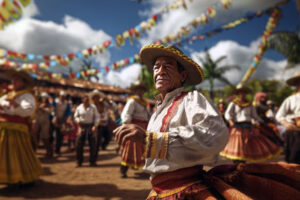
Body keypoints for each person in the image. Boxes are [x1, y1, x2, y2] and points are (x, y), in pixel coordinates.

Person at [113, 44, 299, 199]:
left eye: (168, 66)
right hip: (159, 191)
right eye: (156, 66)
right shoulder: (157, 109)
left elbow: (214, 134)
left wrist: (151, 140)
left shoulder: (192, 99)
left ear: (183, 76)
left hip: (187, 190)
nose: (160, 71)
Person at [0, 69, 43, 186]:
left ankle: (24, 179)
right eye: (13, 79)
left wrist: (15, 105)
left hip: (16, 130)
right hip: (3, 128)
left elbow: (27, 111)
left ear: (23, 82)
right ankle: (7, 178)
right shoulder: (7, 95)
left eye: (17, 79)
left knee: (19, 154)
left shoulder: (27, 96)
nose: (14, 81)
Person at [119, 80, 150, 178]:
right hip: (134, 127)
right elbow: (126, 113)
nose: (140, 91)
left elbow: (148, 115)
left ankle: (145, 170)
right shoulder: (132, 101)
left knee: (145, 149)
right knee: (130, 148)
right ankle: (123, 171)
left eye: (142, 90)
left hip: (144, 127)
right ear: (136, 91)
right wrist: (126, 125)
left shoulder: (145, 102)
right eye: (139, 89)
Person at [276, 71, 300, 164]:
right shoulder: (291, 99)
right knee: (294, 159)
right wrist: (286, 123)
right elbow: (279, 115)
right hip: (295, 133)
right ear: (297, 84)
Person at [74, 95, 99, 167]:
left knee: (93, 145)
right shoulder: (79, 107)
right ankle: (79, 161)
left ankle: (92, 161)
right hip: (81, 127)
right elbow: (76, 116)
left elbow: (97, 117)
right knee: (79, 144)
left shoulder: (93, 107)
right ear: (82, 101)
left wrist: (95, 125)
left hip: (91, 127)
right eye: (85, 101)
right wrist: (77, 121)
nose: (87, 102)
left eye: (88, 100)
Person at [52, 91, 72, 155]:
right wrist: (54, 116)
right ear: (59, 96)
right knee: (51, 134)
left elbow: (68, 112)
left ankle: (57, 150)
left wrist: (66, 117)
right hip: (54, 119)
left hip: (62, 120)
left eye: (63, 96)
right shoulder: (55, 102)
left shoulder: (66, 104)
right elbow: (52, 109)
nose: (62, 97)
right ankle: (51, 149)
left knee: (60, 136)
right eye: (61, 96)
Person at [35, 92, 53, 158]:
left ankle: (49, 151)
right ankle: (34, 150)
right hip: (37, 121)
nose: (44, 99)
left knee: (45, 137)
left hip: (45, 121)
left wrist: (43, 108)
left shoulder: (49, 105)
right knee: (35, 136)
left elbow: (50, 111)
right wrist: (39, 107)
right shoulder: (36, 103)